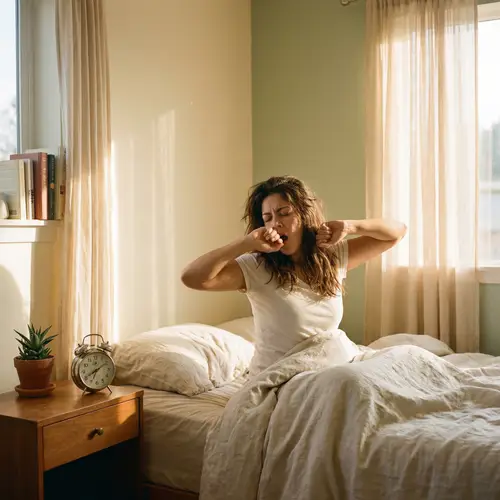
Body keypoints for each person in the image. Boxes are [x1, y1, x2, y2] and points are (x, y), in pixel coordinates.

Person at [181, 176, 406, 375]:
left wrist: (350, 227)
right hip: (283, 378)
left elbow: (396, 233)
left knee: (404, 360)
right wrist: (245, 243)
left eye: (284, 213)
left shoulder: (331, 257)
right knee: (352, 383)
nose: (275, 223)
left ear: (304, 214)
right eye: (267, 218)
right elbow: (192, 278)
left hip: (330, 369)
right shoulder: (256, 267)